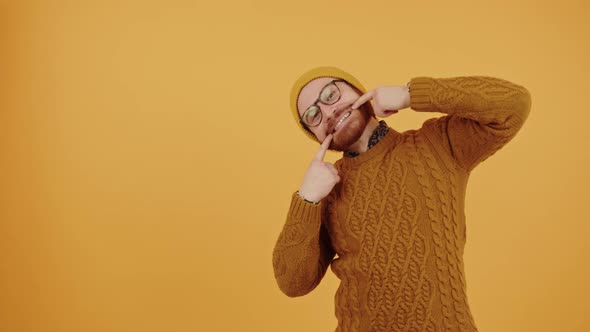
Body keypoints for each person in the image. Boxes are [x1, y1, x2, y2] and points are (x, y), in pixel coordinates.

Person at [272, 66, 532, 332]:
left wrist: (412, 94)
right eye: (313, 115)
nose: (328, 112)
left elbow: (514, 103)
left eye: (330, 94)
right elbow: (293, 282)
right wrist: (306, 199)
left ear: (359, 91)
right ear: (314, 135)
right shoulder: (325, 191)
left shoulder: (438, 145)